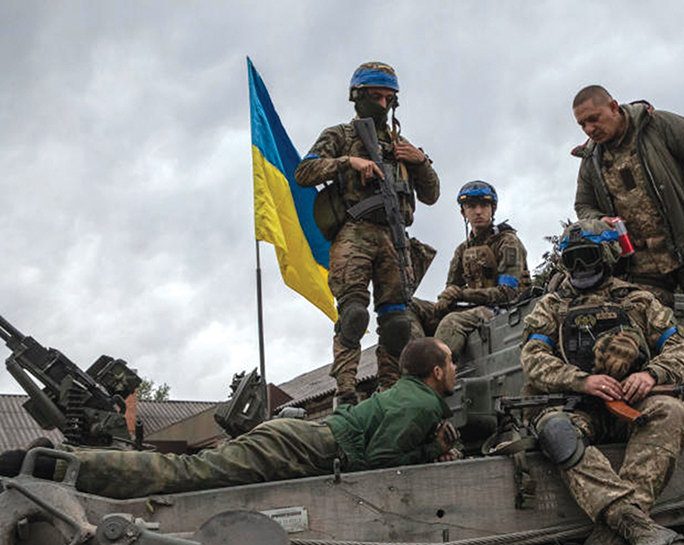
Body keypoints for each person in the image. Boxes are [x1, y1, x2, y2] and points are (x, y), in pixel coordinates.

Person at [0, 338, 460, 499]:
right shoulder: (419, 405)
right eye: (452, 363)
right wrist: (430, 450)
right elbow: (376, 467)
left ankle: (62, 460)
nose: (456, 370)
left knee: (187, 472)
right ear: (436, 372)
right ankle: (54, 463)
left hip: (300, 439)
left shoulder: (408, 395)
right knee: (185, 475)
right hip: (305, 447)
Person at [570, 85, 684, 430]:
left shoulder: (660, 126)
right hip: (640, 262)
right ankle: (663, 410)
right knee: (643, 336)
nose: (589, 129)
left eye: (594, 119)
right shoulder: (591, 159)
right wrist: (600, 222)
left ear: (613, 107)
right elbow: (583, 205)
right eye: (582, 125)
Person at [521, 221, 684, 545]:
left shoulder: (639, 301)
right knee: (556, 432)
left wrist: (651, 375)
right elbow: (533, 358)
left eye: (587, 257)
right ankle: (631, 523)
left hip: (632, 405)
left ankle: (615, 532)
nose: (580, 268)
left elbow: (682, 351)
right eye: (572, 261)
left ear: (608, 256)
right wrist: (582, 381)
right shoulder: (551, 306)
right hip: (577, 406)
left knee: (670, 411)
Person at [294, 62, 440, 406]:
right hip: (354, 234)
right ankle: (345, 393)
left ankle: (388, 394)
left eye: (389, 98)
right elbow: (304, 171)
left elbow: (431, 196)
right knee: (353, 315)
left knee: (397, 324)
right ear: (358, 98)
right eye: (376, 97)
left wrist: (421, 162)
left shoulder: (401, 145)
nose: (384, 105)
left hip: (394, 237)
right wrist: (348, 162)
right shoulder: (340, 136)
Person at [434, 181, 530, 362]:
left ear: (493, 209)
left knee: (451, 322)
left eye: (484, 206)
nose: (478, 211)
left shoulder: (507, 242)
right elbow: (451, 290)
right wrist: (445, 299)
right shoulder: (462, 250)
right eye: (471, 206)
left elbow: (507, 293)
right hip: (472, 308)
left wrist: (462, 295)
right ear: (463, 212)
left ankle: (434, 379)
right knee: (411, 309)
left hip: (505, 309)